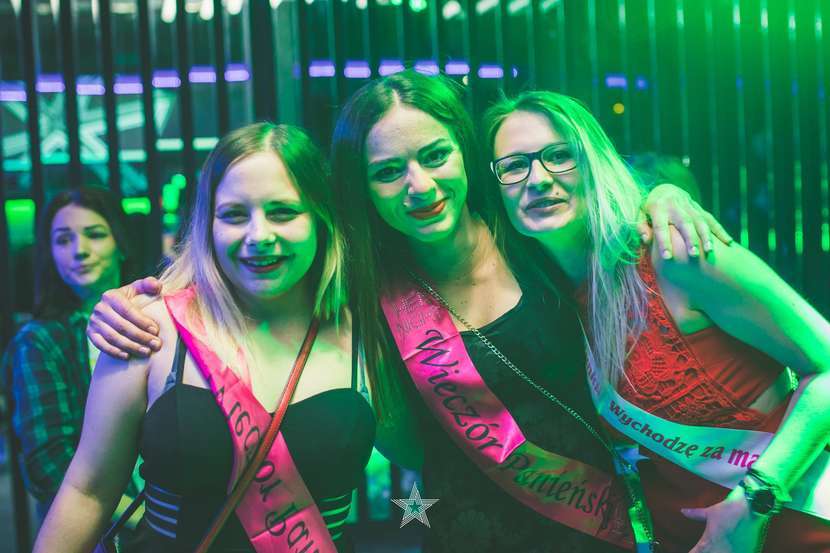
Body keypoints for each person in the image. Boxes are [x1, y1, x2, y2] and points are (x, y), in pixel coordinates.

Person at [88, 71, 727, 552]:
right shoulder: (357, 287)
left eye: (435, 156)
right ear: (360, 188)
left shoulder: (531, 234)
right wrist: (128, 303)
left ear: (466, 153)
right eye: (387, 171)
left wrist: (663, 197)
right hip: (462, 532)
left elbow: (614, 232)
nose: (418, 186)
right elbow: (243, 270)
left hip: (608, 525)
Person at [483, 90, 830, 552]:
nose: (539, 179)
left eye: (559, 156)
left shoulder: (674, 253)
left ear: (594, 162)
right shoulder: (551, 302)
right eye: (513, 166)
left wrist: (755, 499)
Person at [33, 123, 375, 553]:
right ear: (207, 224)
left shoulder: (367, 335)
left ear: (321, 219)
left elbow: (427, 466)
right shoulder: (148, 330)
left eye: (283, 212)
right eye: (234, 215)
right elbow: (88, 491)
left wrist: (423, 524)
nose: (259, 236)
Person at [2, 187, 143, 524]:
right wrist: (146, 522)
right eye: (63, 240)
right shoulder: (40, 342)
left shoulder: (160, 319)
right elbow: (49, 468)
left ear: (121, 244)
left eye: (95, 234)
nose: (79, 250)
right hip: (106, 532)